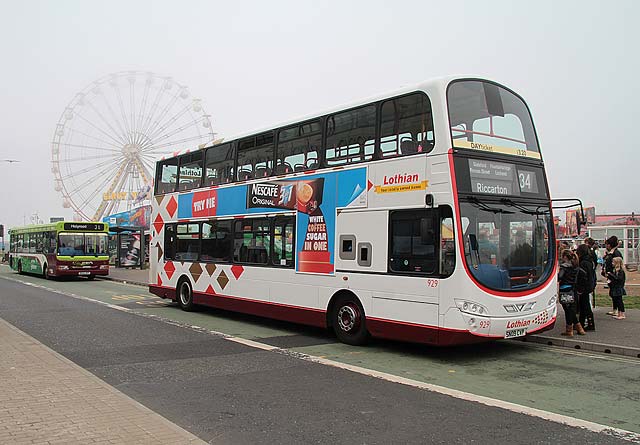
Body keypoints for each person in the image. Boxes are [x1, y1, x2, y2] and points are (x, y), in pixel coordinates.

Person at [558, 249, 586, 336]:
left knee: (568, 310)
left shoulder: (564, 267)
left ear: (565, 257)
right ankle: (578, 328)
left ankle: (571, 329)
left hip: (564, 289)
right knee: (571, 309)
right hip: (572, 289)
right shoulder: (575, 266)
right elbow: (584, 274)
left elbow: (560, 277)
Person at [576, 244, 596, 331]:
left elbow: (583, 276)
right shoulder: (589, 261)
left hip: (584, 287)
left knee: (585, 306)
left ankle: (588, 323)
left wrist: (580, 288)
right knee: (584, 305)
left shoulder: (583, 263)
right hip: (589, 285)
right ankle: (583, 323)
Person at [602, 236, 623, 313]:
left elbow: (618, 265)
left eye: (607, 244)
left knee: (617, 294)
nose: (606, 246)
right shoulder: (610, 253)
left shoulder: (616, 253)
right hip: (610, 276)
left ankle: (619, 310)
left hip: (615, 276)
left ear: (610, 245)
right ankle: (615, 309)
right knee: (613, 293)